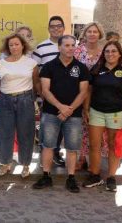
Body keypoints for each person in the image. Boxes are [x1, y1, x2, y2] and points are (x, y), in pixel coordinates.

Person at [33, 35, 90, 193]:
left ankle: (71, 178)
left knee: (72, 148)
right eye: (66, 45)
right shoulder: (49, 67)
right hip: (51, 113)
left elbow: (84, 92)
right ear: (59, 47)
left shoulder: (81, 67)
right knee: (48, 146)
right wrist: (60, 107)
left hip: (74, 114)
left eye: (73, 45)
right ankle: (46, 176)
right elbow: (45, 90)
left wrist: (69, 109)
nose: (70, 48)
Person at [82, 41, 122, 192]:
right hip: (96, 112)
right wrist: (86, 109)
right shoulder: (96, 69)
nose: (110, 54)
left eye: (113, 51)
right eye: (107, 51)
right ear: (103, 54)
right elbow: (89, 91)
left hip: (117, 113)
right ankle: (95, 175)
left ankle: (111, 177)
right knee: (94, 145)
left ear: (119, 54)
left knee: (113, 146)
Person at [0, 33, 39, 178]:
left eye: (16, 44)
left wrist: (35, 100)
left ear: (22, 45)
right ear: (7, 47)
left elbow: (36, 83)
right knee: (5, 133)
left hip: (26, 99)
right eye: (11, 45)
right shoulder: (0, 64)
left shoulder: (31, 63)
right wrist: (3, 95)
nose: (14, 47)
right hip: (6, 100)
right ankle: (5, 163)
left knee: (26, 133)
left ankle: (25, 165)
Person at [32, 16, 66, 167]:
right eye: (52, 26)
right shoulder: (41, 48)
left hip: (67, 95)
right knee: (47, 126)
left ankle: (56, 153)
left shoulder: (71, 45)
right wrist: (41, 93)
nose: (56, 28)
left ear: (63, 28)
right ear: (48, 29)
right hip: (47, 95)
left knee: (62, 126)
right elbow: (35, 73)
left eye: (59, 26)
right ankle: (44, 155)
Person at [74, 22, 105, 170]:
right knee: (80, 126)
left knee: (95, 127)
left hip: (99, 94)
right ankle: (81, 157)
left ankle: (93, 157)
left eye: (95, 32)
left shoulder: (104, 52)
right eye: (89, 31)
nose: (92, 34)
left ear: (100, 34)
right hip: (78, 93)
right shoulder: (77, 51)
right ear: (84, 34)